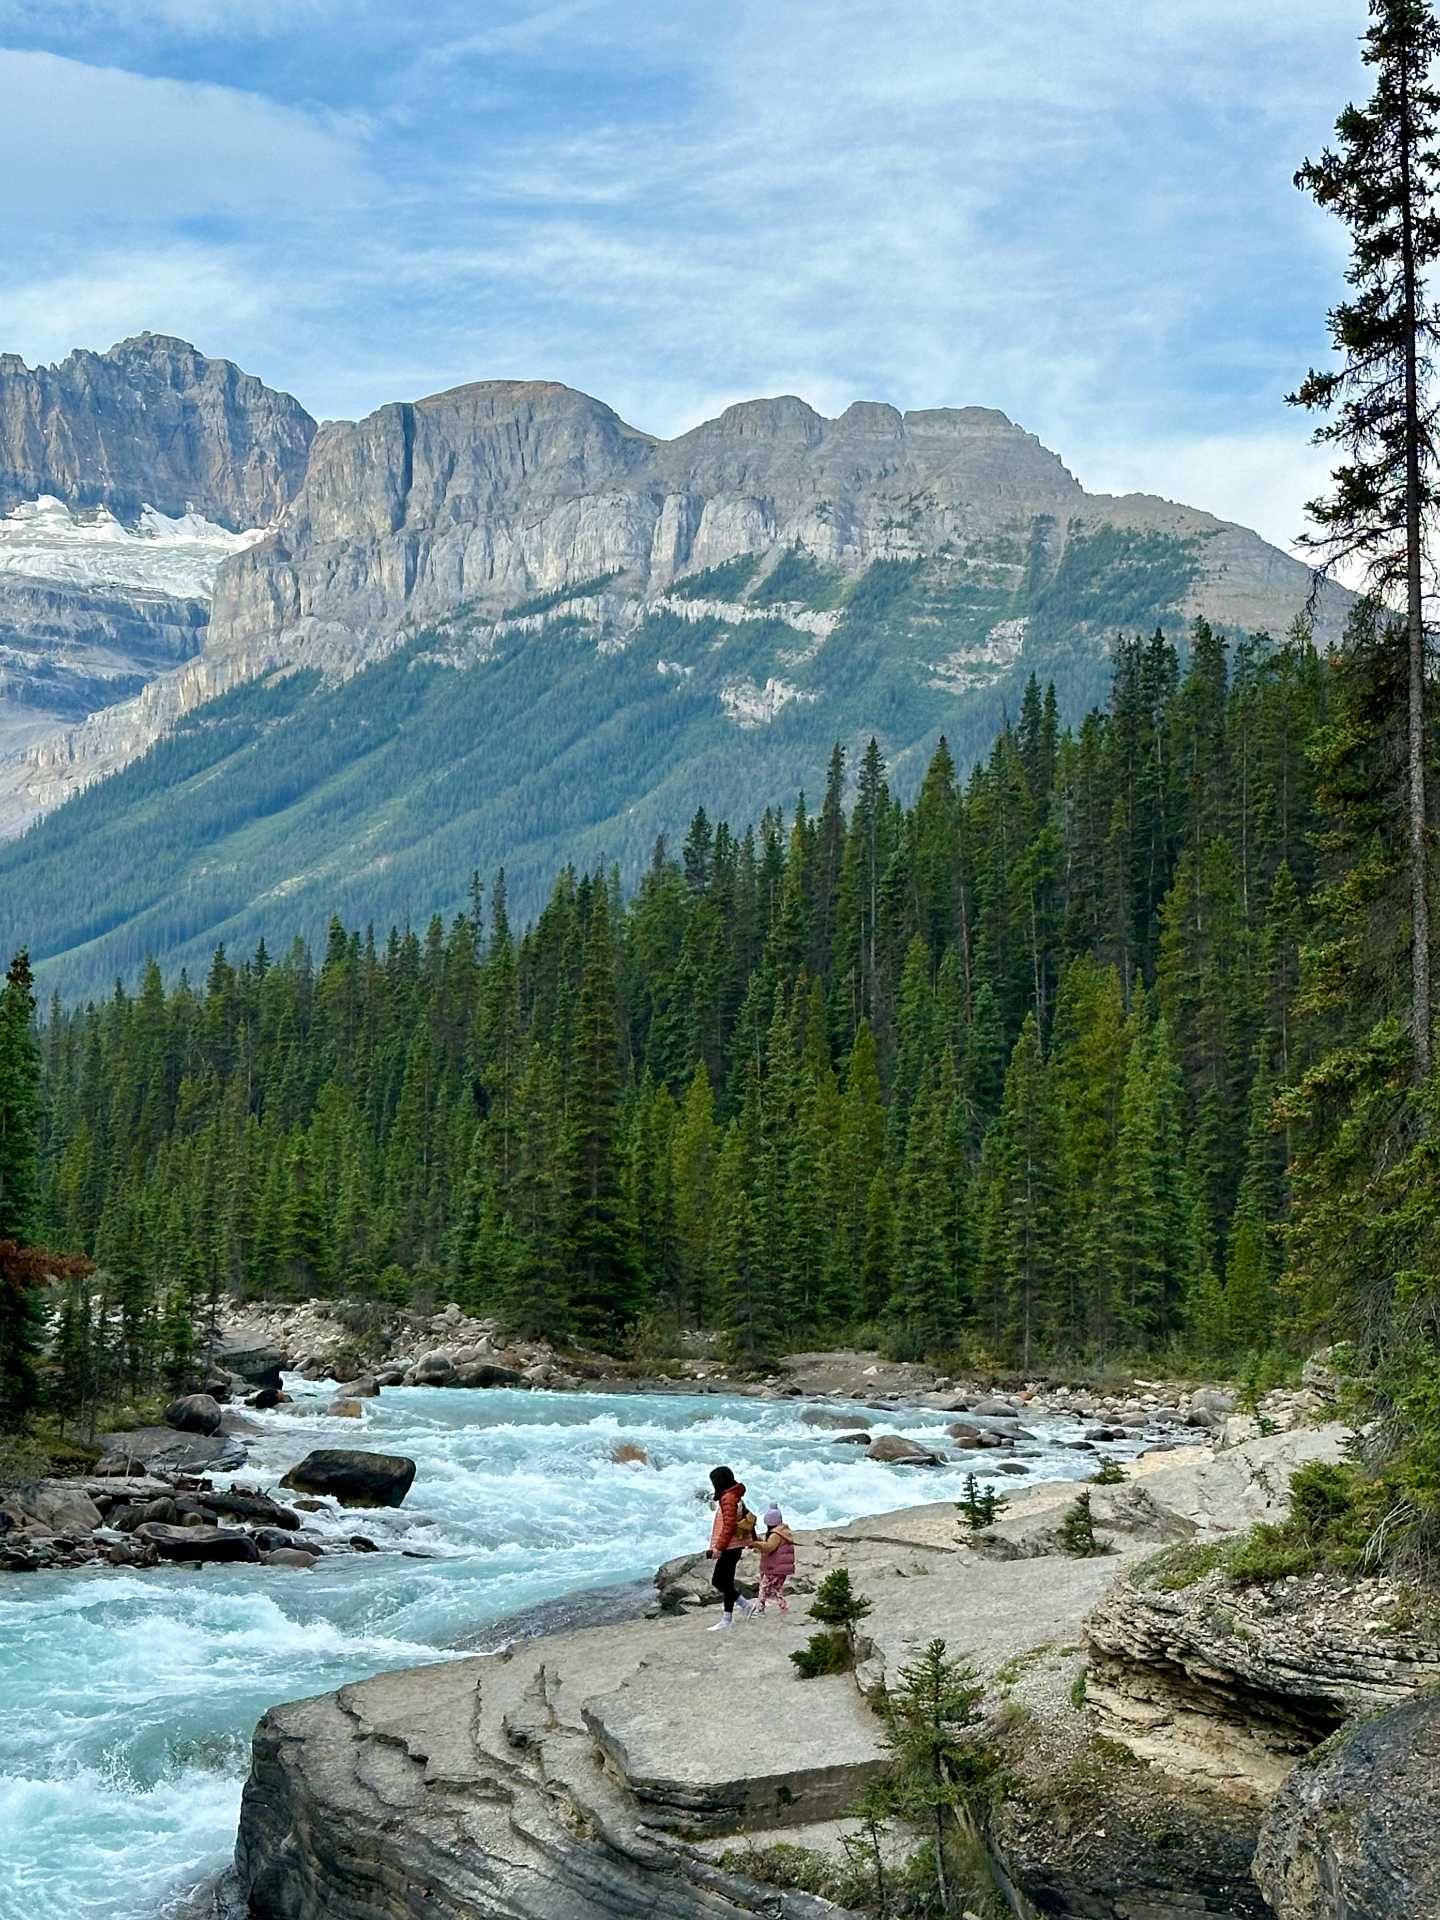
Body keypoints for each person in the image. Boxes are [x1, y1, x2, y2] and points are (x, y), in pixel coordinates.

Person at [706, 1465, 753, 1630]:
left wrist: (718, 1547)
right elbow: (746, 1516)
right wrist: (751, 1538)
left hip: (730, 1547)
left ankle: (745, 1605)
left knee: (718, 1581)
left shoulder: (727, 1498)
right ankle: (727, 1618)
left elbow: (729, 1526)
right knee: (727, 1582)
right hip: (735, 1546)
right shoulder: (735, 1495)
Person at [753, 1505, 795, 1613]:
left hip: (774, 1568)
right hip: (781, 1569)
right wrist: (759, 1540)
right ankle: (784, 1608)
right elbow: (770, 1544)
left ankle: (759, 1610)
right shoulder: (782, 1532)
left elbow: (769, 1547)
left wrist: (756, 1544)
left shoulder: (775, 1535)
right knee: (777, 1590)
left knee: (763, 1587)